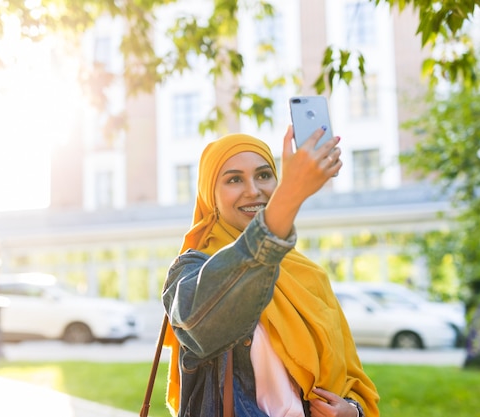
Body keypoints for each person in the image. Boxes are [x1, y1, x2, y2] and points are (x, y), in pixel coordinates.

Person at [162, 125, 380, 417]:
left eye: (264, 175)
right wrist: (289, 196)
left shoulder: (309, 275)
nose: (253, 190)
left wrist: (352, 411)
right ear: (209, 195)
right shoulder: (190, 272)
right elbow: (201, 322)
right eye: (234, 179)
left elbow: (352, 379)